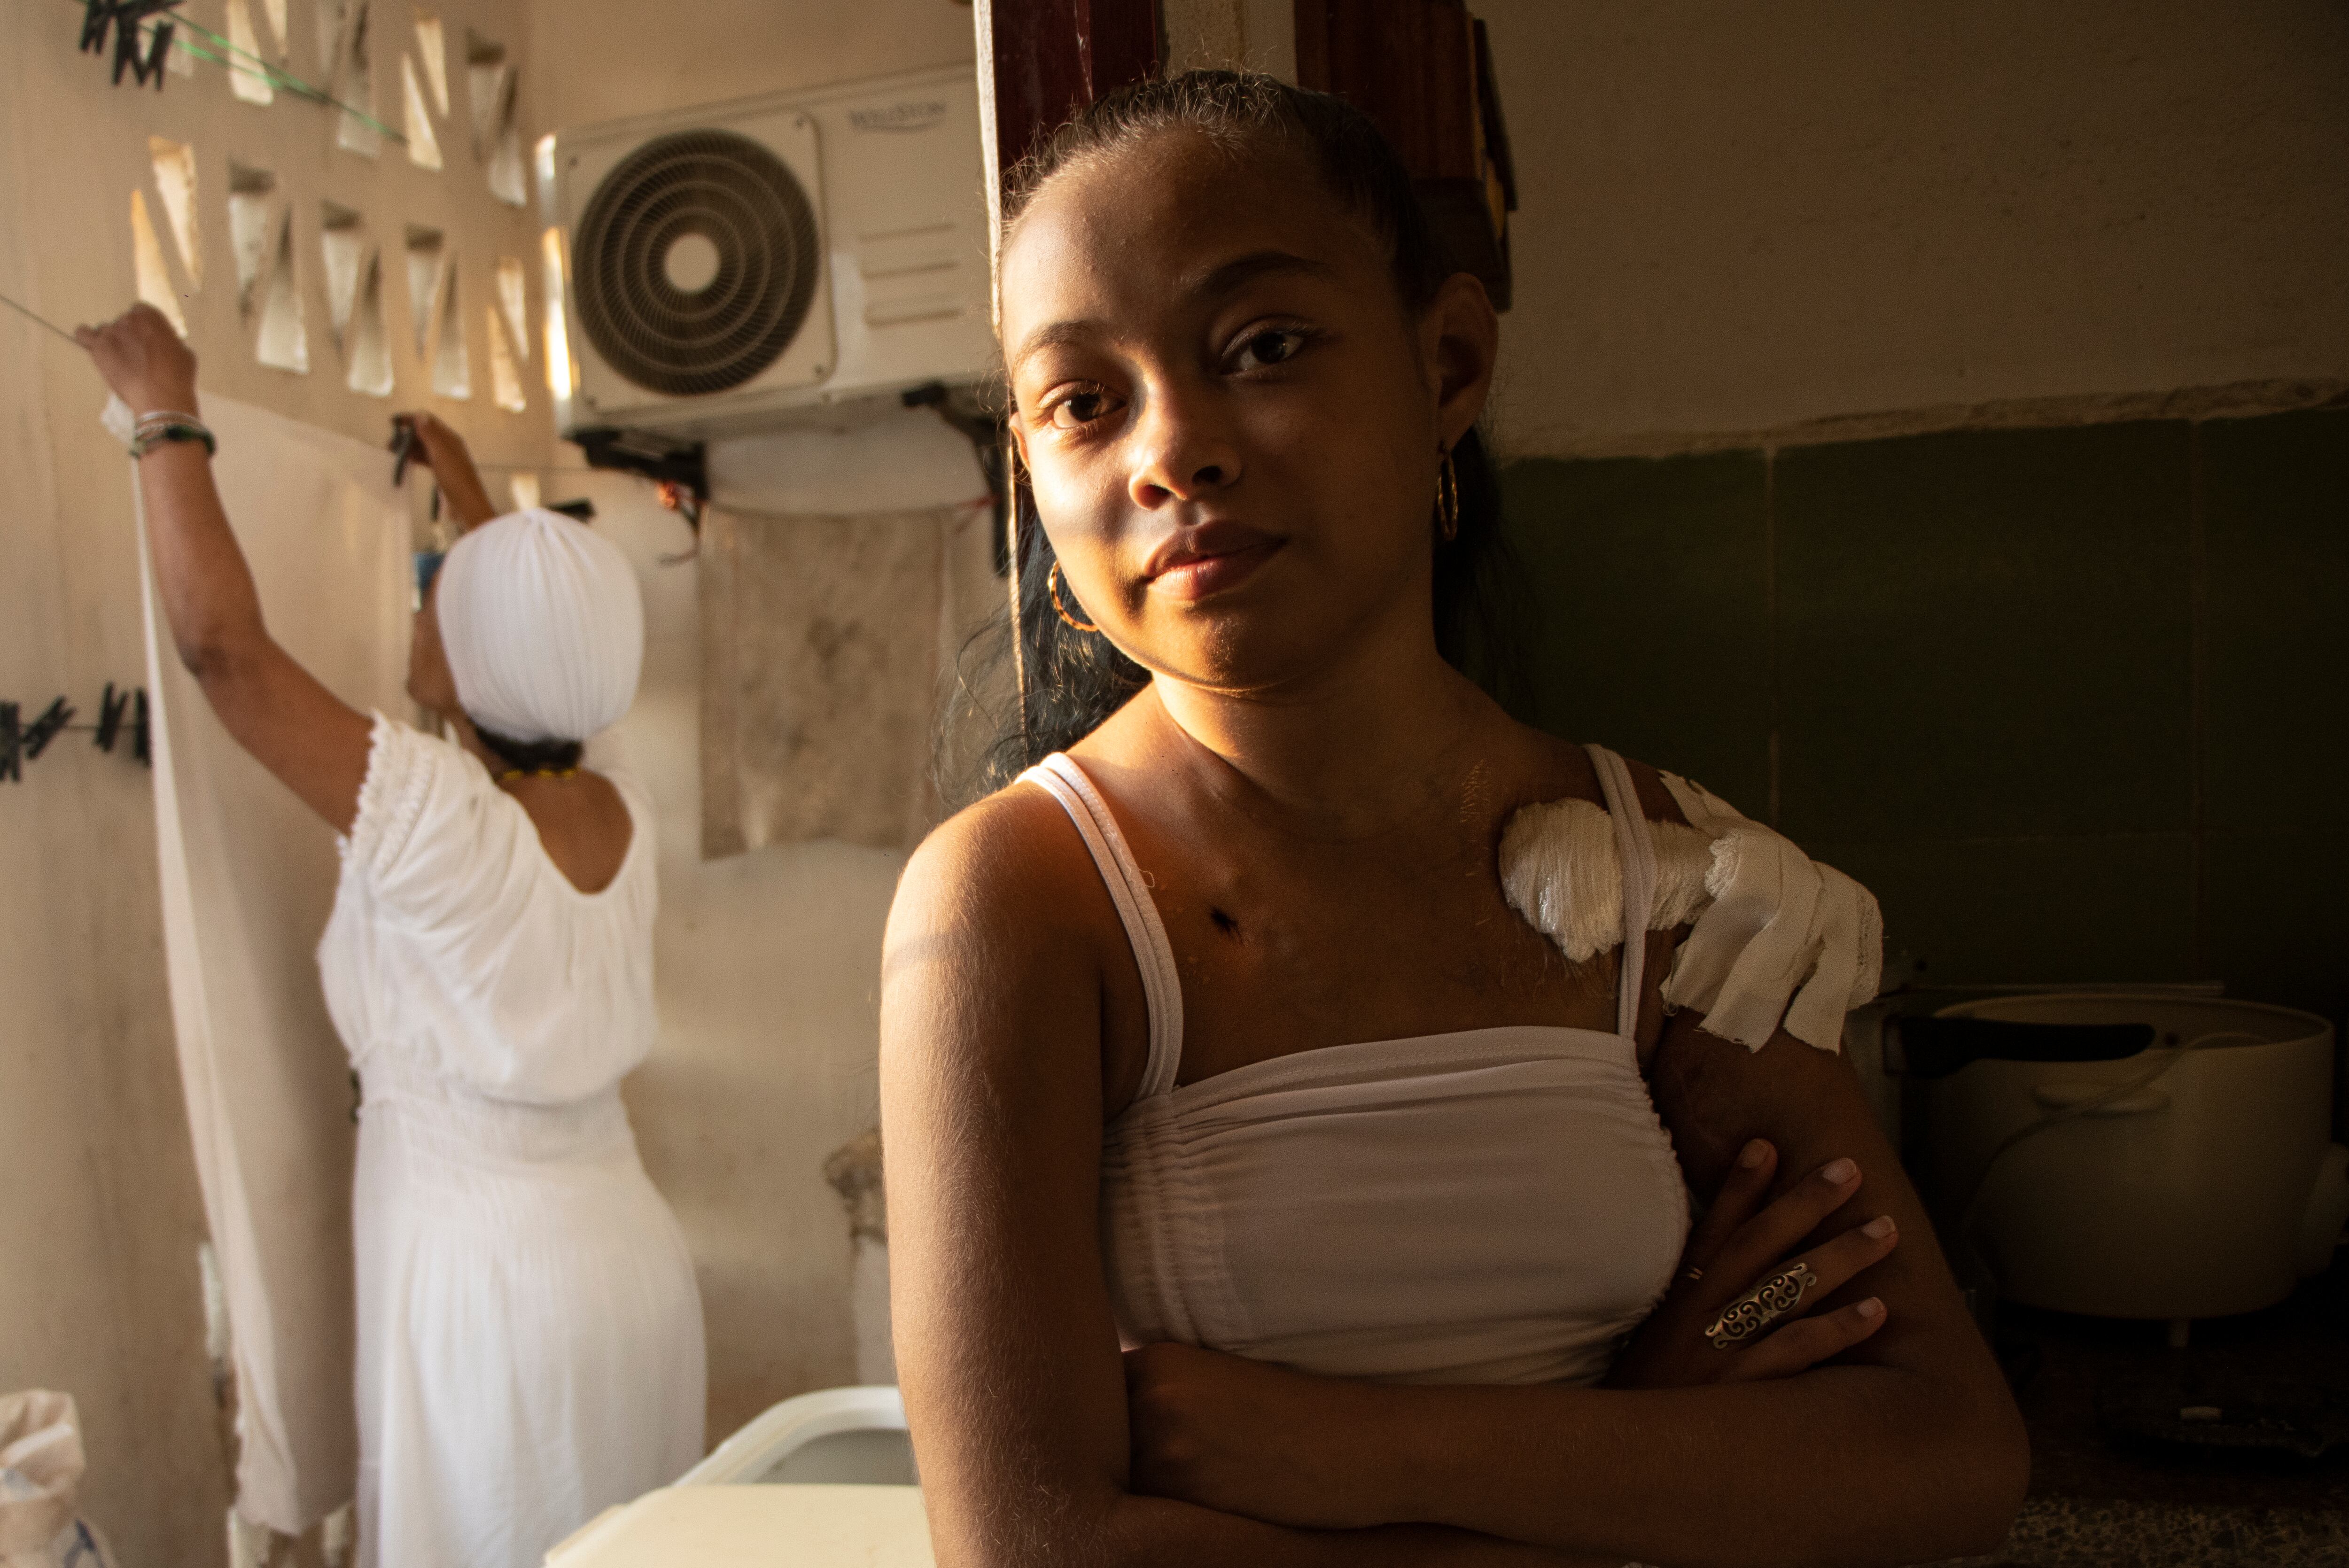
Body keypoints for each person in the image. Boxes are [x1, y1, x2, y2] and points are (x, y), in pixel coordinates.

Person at [880, 71, 2028, 1568]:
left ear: (1450, 364)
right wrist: (1654, 1458)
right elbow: (1037, 1548)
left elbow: (1940, 1446)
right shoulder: (1023, 901)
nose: (1171, 451)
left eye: (1264, 346)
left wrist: (1358, 1449)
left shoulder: (1670, 872)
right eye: (1083, 401)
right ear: (1032, 468)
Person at [76, 306, 705, 1568]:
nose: (417, 610)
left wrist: (166, 411)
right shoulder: (615, 804)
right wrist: (473, 498)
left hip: (491, 1293)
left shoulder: (441, 823)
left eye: (442, 600)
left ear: (478, 660)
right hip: (627, 1269)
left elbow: (226, 654)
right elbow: (543, 645)